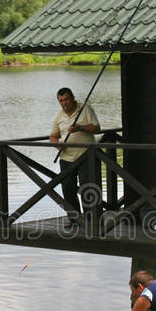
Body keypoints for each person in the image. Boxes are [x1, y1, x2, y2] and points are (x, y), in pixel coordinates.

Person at [49, 87, 100, 225]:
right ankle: (74, 219)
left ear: (72, 97)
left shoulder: (85, 109)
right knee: (67, 188)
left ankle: (91, 220)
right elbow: (53, 136)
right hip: (66, 158)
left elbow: (96, 128)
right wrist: (58, 145)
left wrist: (80, 128)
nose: (64, 103)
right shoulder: (59, 116)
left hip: (86, 155)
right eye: (61, 100)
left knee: (87, 188)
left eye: (66, 99)